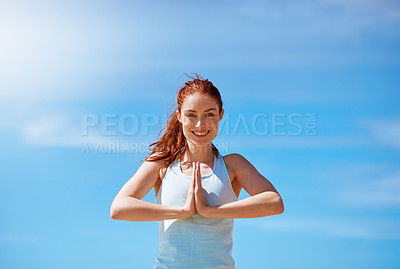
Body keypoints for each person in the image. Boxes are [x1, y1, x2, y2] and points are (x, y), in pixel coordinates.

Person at [110, 75, 284, 269]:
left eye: (209, 114)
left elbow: (274, 202)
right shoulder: (161, 164)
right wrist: (182, 211)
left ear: (221, 115)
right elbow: (119, 208)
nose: (200, 124)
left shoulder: (233, 165)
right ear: (179, 116)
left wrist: (210, 211)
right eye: (191, 115)